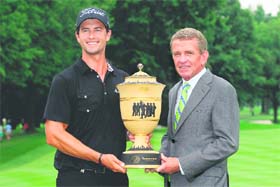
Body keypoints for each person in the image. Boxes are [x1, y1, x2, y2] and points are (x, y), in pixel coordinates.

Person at [44, 7, 129, 187]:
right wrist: (99, 158)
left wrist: (136, 133)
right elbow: (54, 134)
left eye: (98, 29)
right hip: (76, 178)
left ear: (108, 34)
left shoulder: (124, 80)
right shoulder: (65, 80)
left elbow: (126, 125)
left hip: (117, 178)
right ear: (77, 36)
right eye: (85, 30)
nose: (91, 35)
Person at [156, 28, 239, 187]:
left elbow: (227, 142)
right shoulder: (174, 91)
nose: (182, 60)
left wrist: (181, 164)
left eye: (189, 53)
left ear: (203, 57)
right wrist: (160, 158)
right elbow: (171, 136)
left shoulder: (222, 89)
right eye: (177, 54)